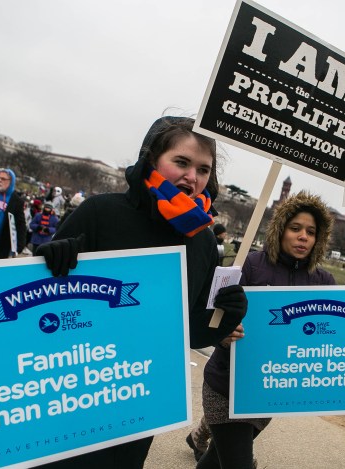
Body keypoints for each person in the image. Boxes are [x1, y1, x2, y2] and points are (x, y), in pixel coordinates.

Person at [35, 116, 248, 469]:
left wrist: (226, 315)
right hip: (72, 388)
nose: (192, 177)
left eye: (203, 169)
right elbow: (34, 302)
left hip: (138, 397)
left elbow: (192, 332)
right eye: (181, 162)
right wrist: (48, 261)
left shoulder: (203, 241)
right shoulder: (100, 212)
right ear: (152, 159)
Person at [194, 192, 345, 469]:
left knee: (216, 460)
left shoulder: (323, 280)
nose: (303, 236)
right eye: (295, 228)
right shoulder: (250, 264)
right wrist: (222, 334)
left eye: (311, 231)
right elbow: (214, 315)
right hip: (226, 386)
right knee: (238, 462)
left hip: (270, 391)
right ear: (280, 230)